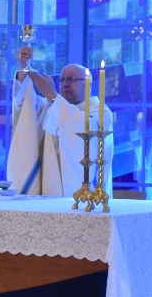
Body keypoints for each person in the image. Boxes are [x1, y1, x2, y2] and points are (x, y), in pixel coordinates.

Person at [6, 48, 113, 197]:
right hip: (48, 191)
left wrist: (52, 95)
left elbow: (84, 130)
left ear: (89, 85)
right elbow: (24, 106)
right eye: (62, 80)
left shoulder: (101, 112)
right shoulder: (49, 106)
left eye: (72, 79)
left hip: (85, 197)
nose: (66, 84)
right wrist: (23, 67)